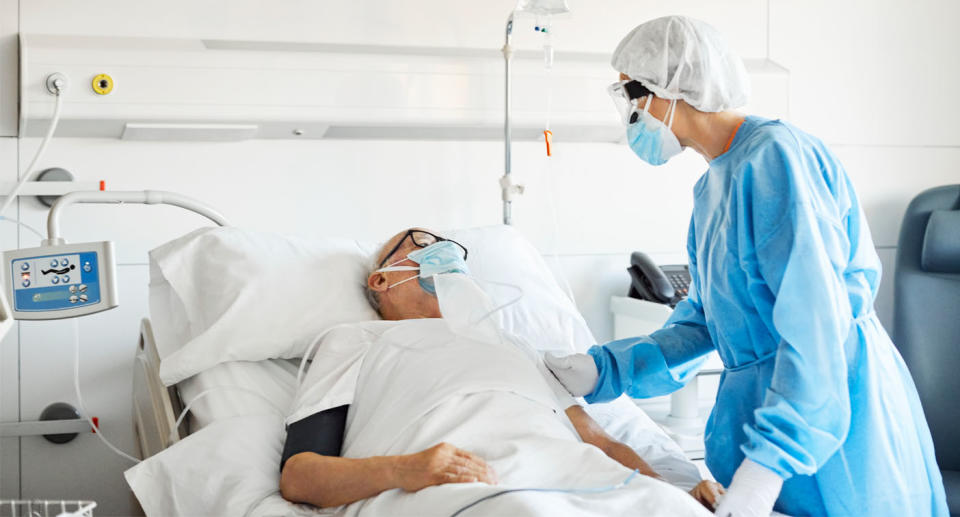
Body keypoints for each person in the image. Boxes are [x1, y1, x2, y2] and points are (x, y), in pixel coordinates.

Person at [544, 15, 948, 517]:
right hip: (778, 432)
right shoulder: (713, 187)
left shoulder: (776, 160)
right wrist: (604, 369)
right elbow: (706, 320)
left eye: (634, 94)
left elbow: (816, 329)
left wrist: (768, 468)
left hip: (837, 432)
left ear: (673, 90)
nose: (632, 113)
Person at [279, 227, 723, 512]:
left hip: (588, 478)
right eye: (423, 244)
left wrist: (671, 492)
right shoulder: (355, 340)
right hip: (473, 486)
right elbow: (300, 476)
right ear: (381, 280)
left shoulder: (515, 344)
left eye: (454, 251)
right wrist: (407, 469)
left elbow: (599, 440)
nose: (447, 252)